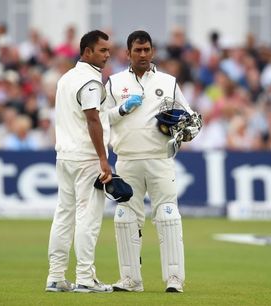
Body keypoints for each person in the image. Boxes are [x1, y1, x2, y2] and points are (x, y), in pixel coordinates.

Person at [105, 30, 200, 293]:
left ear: (153, 51)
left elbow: (192, 120)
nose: (143, 54)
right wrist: (122, 109)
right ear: (128, 53)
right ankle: (130, 280)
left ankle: (174, 279)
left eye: (147, 49)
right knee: (125, 218)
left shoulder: (168, 82)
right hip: (126, 159)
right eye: (138, 50)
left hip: (159, 159)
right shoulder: (114, 83)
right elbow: (101, 119)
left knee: (168, 216)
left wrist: (181, 129)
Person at [45, 30, 113, 293]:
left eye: (108, 50)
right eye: (102, 50)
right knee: (88, 217)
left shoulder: (66, 78)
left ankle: (55, 277)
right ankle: (85, 277)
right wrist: (103, 159)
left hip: (64, 155)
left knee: (63, 216)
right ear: (87, 52)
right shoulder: (91, 82)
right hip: (86, 157)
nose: (107, 54)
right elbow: (92, 119)